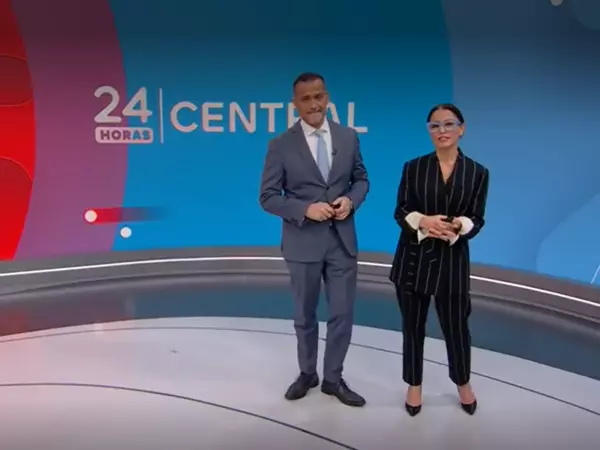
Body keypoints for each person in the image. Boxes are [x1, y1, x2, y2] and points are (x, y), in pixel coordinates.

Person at [259, 72, 369, 407]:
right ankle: (308, 373)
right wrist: (305, 209)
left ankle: (333, 379)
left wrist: (351, 201)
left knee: (342, 314)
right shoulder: (280, 145)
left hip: (342, 242)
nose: (314, 104)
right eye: (305, 99)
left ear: (327, 97)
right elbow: (267, 197)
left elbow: (361, 180)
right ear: (295, 104)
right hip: (302, 243)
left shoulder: (348, 137)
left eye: (318, 96)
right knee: (305, 316)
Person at [389, 103, 489, 417]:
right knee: (412, 327)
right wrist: (423, 221)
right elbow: (400, 211)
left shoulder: (478, 173)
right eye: (435, 126)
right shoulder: (413, 167)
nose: (442, 131)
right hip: (413, 261)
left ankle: (463, 383)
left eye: (448, 124)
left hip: (452, 264)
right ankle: (414, 385)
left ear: (462, 128)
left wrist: (460, 226)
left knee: (457, 328)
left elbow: (477, 218)